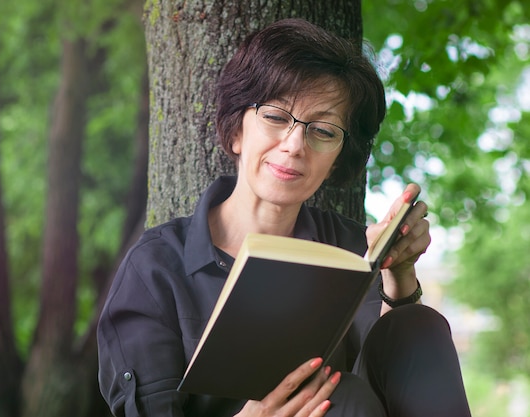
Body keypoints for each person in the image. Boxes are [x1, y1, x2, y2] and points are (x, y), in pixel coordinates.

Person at [97, 18, 472, 417]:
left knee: (418, 326)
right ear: (236, 130)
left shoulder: (349, 252)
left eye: (323, 131)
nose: (295, 145)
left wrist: (398, 276)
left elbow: (391, 375)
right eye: (276, 117)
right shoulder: (155, 268)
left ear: (336, 160)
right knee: (340, 397)